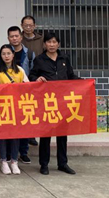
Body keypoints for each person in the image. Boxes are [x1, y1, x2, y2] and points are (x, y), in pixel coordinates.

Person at [30, 32, 79, 176]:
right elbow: (32, 75)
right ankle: (44, 164)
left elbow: (70, 76)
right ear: (44, 44)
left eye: (54, 42)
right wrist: (37, 78)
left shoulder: (64, 58)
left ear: (58, 44)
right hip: (47, 102)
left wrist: (84, 82)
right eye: (49, 42)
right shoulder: (40, 59)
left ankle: (62, 163)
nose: (51, 45)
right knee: (46, 134)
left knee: (62, 134)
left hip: (63, 101)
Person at [0, 44, 30, 175]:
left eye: (8, 53)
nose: (6, 56)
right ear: (0, 56)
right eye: (3, 54)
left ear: (13, 55)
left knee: (15, 135)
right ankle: (3, 161)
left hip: (17, 107)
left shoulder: (20, 70)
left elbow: (27, 87)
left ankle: (14, 161)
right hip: (2, 107)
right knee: (3, 135)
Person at [8, 25, 38, 158]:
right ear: (8, 38)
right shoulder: (5, 52)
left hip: (25, 94)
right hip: (9, 95)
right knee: (10, 124)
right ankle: (10, 153)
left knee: (25, 123)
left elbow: (33, 72)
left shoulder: (30, 53)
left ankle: (23, 152)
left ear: (21, 37)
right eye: (12, 36)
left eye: (16, 36)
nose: (14, 38)